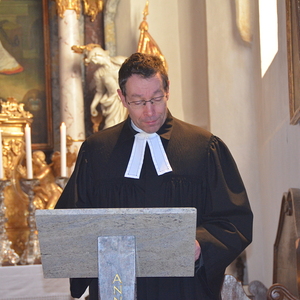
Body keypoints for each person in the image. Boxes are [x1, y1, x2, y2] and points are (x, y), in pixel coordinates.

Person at [56, 52, 253, 300]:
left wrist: (200, 244)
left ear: (167, 90)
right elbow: (70, 223)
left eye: (156, 98)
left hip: (185, 290)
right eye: (138, 101)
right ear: (122, 98)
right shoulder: (97, 152)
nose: (150, 111)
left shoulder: (203, 148)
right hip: (117, 287)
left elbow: (235, 220)